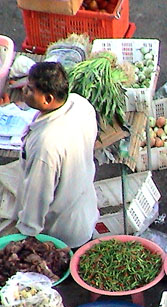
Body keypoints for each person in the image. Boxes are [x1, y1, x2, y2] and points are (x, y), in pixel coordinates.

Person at [0, 61, 99, 247]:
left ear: (47, 99)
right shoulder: (80, 104)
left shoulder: (46, 146)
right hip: (84, 210)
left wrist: (26, 237)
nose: (24, 92)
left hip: (61, 233)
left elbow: (37, 199)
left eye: (29, 89)